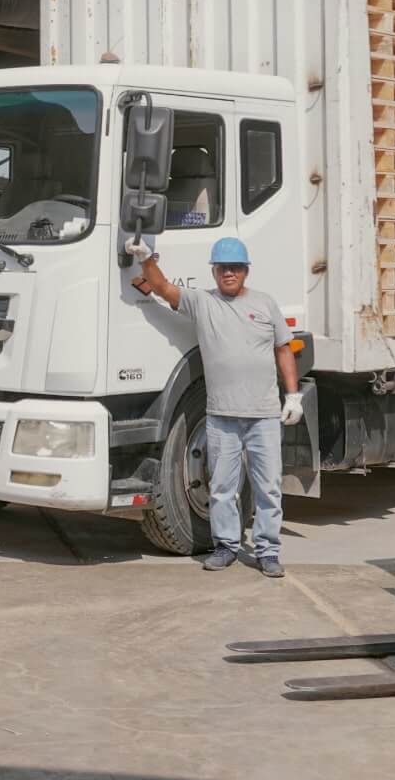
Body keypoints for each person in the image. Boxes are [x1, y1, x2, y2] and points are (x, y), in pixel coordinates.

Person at [128, 237, 302, 577]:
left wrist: (293, 395)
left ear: (245, 271)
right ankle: (226, 547)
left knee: (268, 488)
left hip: (264, 415)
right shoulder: (202, 302)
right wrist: (147, 260)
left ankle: (267, 551)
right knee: (222, 488)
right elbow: (162, 288)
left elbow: (283, 349)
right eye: (223, 268)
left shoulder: (265, 304)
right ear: (214, 271)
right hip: (222, 416)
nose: (229, 273)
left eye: (235, 267)